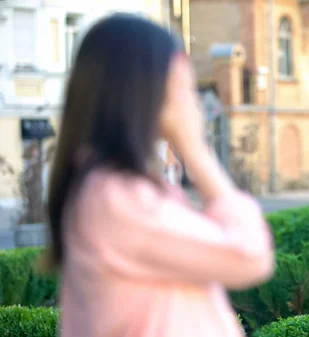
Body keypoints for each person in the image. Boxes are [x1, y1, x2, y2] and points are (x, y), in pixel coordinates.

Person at [46, 14, 274, 337]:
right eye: (181, 80)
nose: (190, 95)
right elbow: (251, 256)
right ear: (147, 88)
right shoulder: (117, 199)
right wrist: (194, 147)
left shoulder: (112, 189)